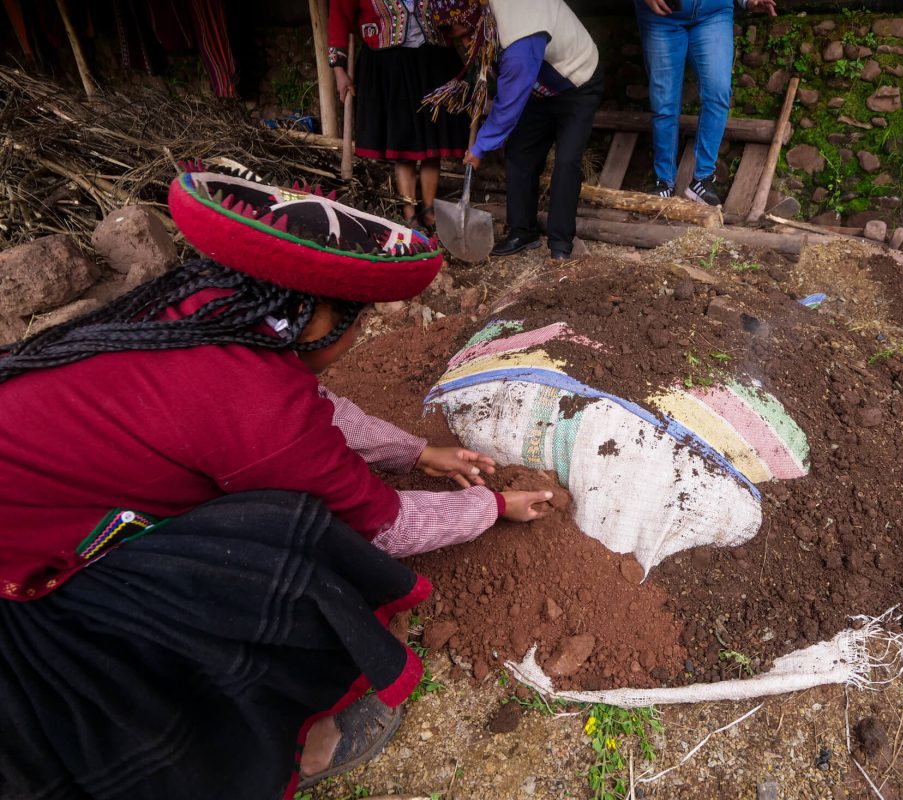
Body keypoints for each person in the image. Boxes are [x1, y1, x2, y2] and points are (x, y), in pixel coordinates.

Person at [0, 165, 553, 799]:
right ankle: (303, 741)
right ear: (317, 318)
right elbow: (381, 523)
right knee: (281, 538)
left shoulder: (203, 310)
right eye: (358, 321)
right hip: (30, 578)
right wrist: (491, 504)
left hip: (28, 511)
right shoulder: (255, 404)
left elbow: (308, 402)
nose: (357, 334)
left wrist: (418, 450)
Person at [423, 0, 603, 261]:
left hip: (577, 81)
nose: (464, 45)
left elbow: (508, 104)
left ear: (476, 20)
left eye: (465, 36)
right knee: (520, 155)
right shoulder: (483, 16)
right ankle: (523, 231)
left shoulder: (520, 35)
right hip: (536, 89)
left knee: (566, 161)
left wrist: (480, 146)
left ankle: (561, 242)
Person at [328, 0, 469, 229]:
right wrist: (339, 70)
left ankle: (430, 209)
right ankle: (409, 211)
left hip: (432, 60)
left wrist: (464, 29)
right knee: (404, 143)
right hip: (389, 64)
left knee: (432, 142)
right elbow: (339, 17)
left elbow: (454, 8)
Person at [636, 0, 777, 205]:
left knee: (718, 91)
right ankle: (664, 182)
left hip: (713, 12)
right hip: (662, 16)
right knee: (664, 103)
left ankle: (702, 179)